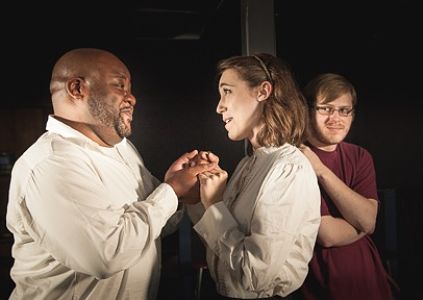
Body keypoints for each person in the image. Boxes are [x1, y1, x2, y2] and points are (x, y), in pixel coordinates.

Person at [6, 48, 216, 300]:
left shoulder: (122, 150)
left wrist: (176, 193)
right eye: (120, 86)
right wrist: (170, 191)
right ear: (77, 89)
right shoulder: (51, 164)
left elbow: (155, 226)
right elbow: (105, 256)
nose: (132, 98)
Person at [187, 53, 321, 299]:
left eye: (227, 91)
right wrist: (199, 195)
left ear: (263, 91)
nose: (219, 106)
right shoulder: (247, 164)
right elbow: (220, 250)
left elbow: (253, 276)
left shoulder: (289, 168)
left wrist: (215, 204)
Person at [297, 73, 393, 299]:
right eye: (326, 109)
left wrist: (320, 170)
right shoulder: (296, 159)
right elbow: (327, 234)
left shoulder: (360, 157)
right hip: (319, 279)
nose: (336, 118)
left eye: (344, 110)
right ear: (307, 110)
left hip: (366, 275)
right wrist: (361, 223)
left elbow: (369, 220)